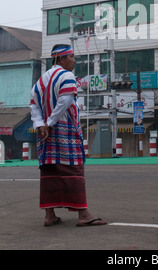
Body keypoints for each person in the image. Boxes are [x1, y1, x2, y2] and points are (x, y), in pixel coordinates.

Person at [30, 44, 107, 227]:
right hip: (63, 128)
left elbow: (33, 105)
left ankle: (50, 215)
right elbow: (65, 101)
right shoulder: (67, 76)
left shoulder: (41, 80)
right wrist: (50, 122)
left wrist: (41, 124)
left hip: (44, 133)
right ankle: (83, 214)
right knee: (73, 169)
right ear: (62, 59)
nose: (74, 60)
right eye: (71, 57)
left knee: (49, 170)